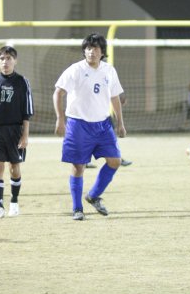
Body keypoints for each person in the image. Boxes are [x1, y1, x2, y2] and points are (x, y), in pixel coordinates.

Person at [53, 33, 126, 220]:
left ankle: (93, 196)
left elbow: (115, 97)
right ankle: (77, 209)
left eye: (94, 48)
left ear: (102, 52)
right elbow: (58, 93)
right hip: (78, 124)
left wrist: (120, 123)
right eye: (87, 48)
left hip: (103, 124)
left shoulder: (109, 70)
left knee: (115, 161)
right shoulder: (75, 69)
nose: (90, 52)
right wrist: (60, 119)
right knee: (78, 167)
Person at [0, 45, 34, 218]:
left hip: (15, 130)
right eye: (2, 58)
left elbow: (27, 112)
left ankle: (14, 202)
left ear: (15, 61)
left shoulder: (22, 81)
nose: (5, 62)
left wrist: (25, 135)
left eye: (9, 58)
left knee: (14, 167)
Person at [86, 92, 132, 168]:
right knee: (110, 140)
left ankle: (85, 162)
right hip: (102, 119)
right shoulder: (109, 99)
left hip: (104, 118)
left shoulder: (107, 99)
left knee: (98, 140)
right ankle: (118, 159)